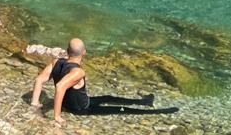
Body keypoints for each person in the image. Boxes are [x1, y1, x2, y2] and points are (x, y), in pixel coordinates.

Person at [29, 38, 161, 124]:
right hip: (81, 108)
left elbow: (39, 80)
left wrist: (35, 103)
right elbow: (60, 87)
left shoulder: (56, 61)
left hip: (77, 103)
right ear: (84, 52)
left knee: (108, 97)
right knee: (122, 109)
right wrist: (57, 116)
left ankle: (144, 101)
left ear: (68, 51)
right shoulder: (78, 72)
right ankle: (156, 110)